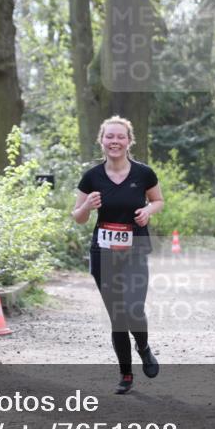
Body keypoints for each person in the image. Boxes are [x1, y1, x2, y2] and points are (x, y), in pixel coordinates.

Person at [72, 116, 164, 394]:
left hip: (135, 251)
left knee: (133, 308)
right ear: (102, 141)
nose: (115, 141)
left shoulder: (143, 173)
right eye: (109, 136)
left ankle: (144, 348)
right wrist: (87, 206)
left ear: (129, 141)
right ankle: (126, 374)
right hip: (103, 254)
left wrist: (147, 211)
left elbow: (158, 200)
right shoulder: (92, 177)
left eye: (120, 136)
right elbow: (78, 217)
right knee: (118, 316)